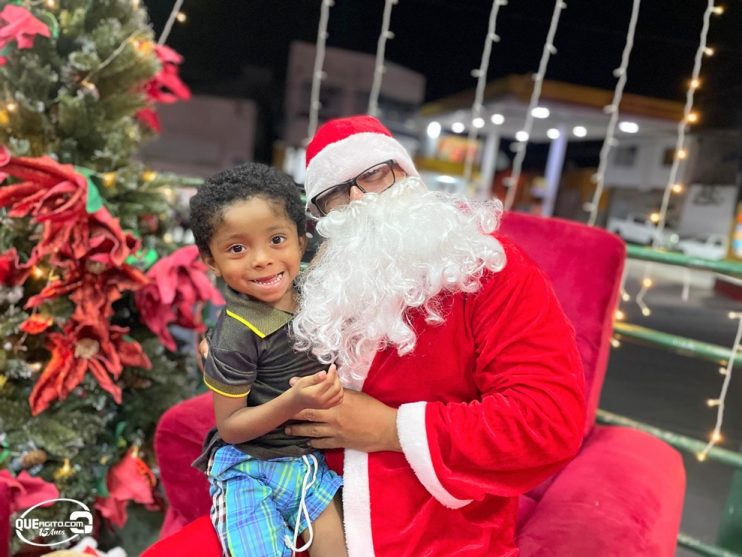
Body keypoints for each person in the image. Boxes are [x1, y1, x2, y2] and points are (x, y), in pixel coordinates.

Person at [284, 115, 587, 556]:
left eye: (373, 175)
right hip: (303, 509)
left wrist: (392, 429)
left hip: (437, 532)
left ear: (407, 174)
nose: (360, 199)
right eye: (334, 195)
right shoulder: (325, 284)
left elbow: (548, 419)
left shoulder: (491, 269)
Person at [189, 163, 347, 557]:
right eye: (237, 248)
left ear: (300, 240)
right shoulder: (235, 334)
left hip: (309, 467)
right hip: (248, 469)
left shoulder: (315, 292)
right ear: (210, 259)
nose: (261, 259)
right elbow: (231, 428)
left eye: (277, 239)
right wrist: (294, 403)